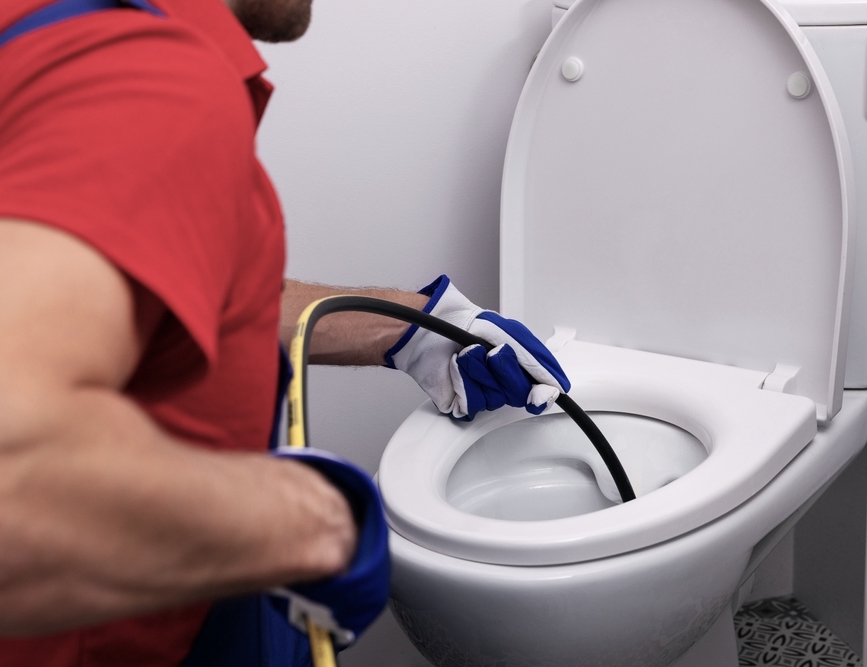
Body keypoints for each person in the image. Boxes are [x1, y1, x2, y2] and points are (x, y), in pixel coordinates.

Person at [0, 0, 569, 664]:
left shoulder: (50, 36)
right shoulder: (147, 81)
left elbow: (166, 299)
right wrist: (311, 527)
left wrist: (414, 329)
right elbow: (18, 476)